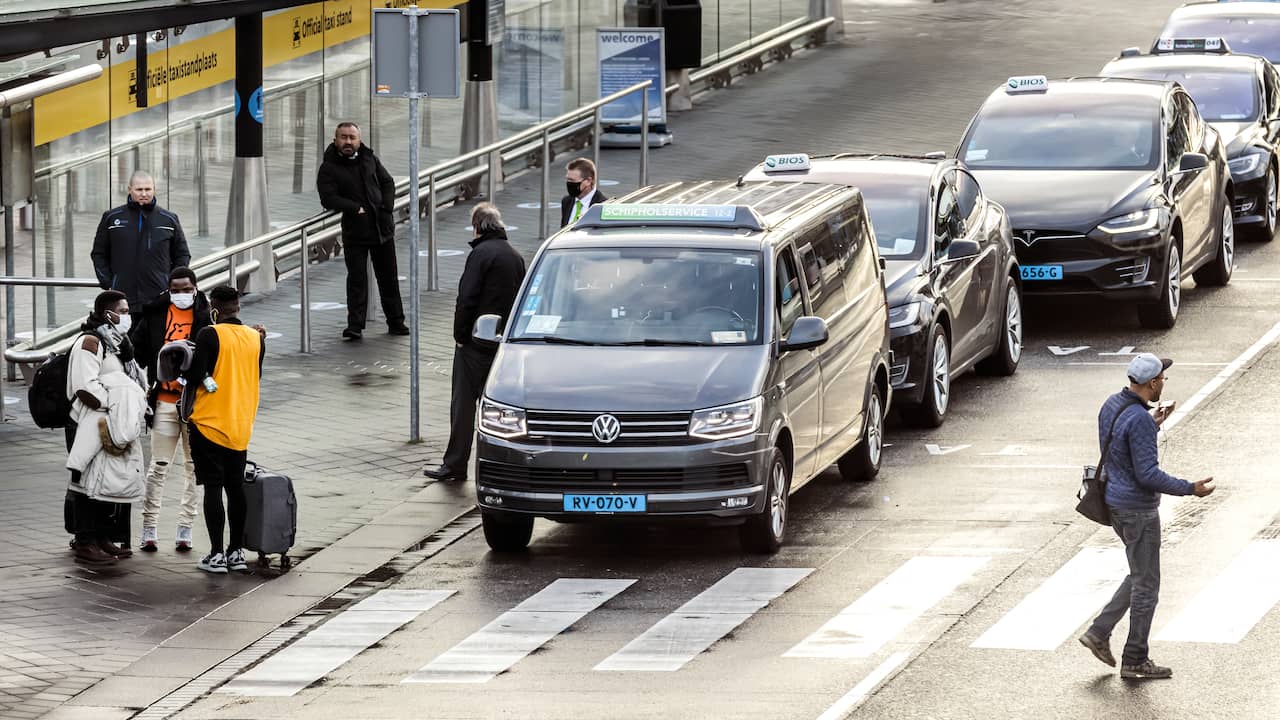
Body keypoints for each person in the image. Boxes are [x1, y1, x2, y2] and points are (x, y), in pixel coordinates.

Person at [1078, 353, 1214, 679]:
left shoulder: (1113, 404)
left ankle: (1099, 632)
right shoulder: (1138, 419)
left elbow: (1118, 445)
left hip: (1114, 503)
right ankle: (1135, 658)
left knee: (1140, 574)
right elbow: (1148, 475)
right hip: (1137, 510)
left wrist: (1151, 424)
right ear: (1152, 383)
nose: (1164, 383)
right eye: (1162, 379)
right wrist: (1189, 488)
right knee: (1147, 585)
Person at [424, 203, 526, 482]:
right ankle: (504, 463)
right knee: (501, 407)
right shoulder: (515, 256)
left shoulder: (480, 254)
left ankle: (455, 464)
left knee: (463, 405)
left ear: (477, 227)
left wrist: (459, 336)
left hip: (475, 343)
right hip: (503, 344)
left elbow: (466, 298)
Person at [129, 266, 211, 553]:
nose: (181, 295)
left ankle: (185, 529)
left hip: (194, 402)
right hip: (164, 400)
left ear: (195, 288)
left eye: (186, 289)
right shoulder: (156, 314)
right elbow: (134, 348)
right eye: (175, 290)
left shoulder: (205, 314)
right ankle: (149, 528)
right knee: (158, 467)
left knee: (193, 469)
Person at [184, 286, 265, 574]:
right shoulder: (256, 338)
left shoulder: (209, 334)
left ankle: (216, 554)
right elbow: (254, 373)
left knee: (213, 488)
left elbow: (197, 376)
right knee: (236, 489)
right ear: (238, 307)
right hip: (240, 425)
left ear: (214, 308)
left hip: (208, 423)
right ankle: (236, 553)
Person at [64, 290, 149, 565]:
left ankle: (101, 537)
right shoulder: (90, 343)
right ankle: (84, 540)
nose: (127, 316)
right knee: (84, 482)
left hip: (107, 422)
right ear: (106, 313)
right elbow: (84, 388)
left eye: (127, 311)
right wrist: (114, 404)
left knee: (104, 480)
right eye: (122, 311)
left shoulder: (118, 344)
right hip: (88, 421)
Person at [316, 121, 409, 341]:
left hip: (382, 229)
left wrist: (387, 207)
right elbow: (327, 198)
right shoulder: (329, 167)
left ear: (359, 140)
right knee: (357, 280)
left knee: (389, 278)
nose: (348, 141)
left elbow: (388, 182)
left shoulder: (369, 158)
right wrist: (353, 207)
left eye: (352, 137)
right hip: (355, 232)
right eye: (343, 137)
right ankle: (355, 326)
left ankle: (396, 322)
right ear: (335, 140)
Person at [91, 170, 191, 309]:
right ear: (129, 189)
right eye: (139, 189)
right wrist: (109, 283)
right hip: (122, 300)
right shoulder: (112, 218)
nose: (144, 194)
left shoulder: (168, 219)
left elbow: (182, 254)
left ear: (154, 189)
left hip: (159, 299)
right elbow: (99, 253)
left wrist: (171, 283)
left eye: (148, 189)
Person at [560, 158, 608, 228]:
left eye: (572, 181)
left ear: (588, 181)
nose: (569, 183)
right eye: (567, 179)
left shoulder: (603, 205)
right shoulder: (567, 201)